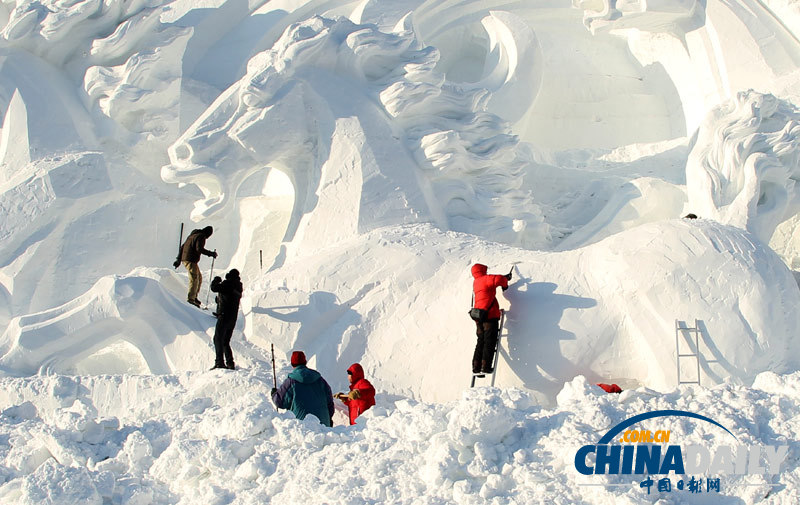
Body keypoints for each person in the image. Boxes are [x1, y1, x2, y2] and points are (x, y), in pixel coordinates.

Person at [271, 351, 335, 427]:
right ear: (305, 362)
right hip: (323, 425)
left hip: (301, 427)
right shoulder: (320, 380)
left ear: (292, 364)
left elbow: (279, 402)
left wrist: (274, 394)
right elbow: (330, 403)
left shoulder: (291, 382)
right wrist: (327, 418)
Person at [469, 263, 511, 374]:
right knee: (490, 342)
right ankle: (485, 367)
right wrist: (505, 284)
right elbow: (499, 279)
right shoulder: (485, 279)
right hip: (489, 316)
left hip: (478, 318)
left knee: (480, 342)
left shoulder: (476, 282)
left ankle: (476, 367)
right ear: (482, 271)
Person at [173, 225, 217, 307]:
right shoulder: (201, 236)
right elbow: (199, 249)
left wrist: (178, 260)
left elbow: (182, 246)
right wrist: (211, 254)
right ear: (208, 233)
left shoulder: (193, 235)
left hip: (187, 259)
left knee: (199, 278)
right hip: (190, 260)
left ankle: (194, 297)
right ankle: (191, 299)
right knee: (194, 279)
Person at [210, 269, 243, 370]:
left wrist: (216, 280)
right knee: (225, 341)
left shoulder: (228, 284)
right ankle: (230, 363)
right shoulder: (239, 287)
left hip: (224, 316)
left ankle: (219, 362)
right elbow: (228, 297)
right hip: (233, 318)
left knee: (217, 339)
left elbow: (214, 288)